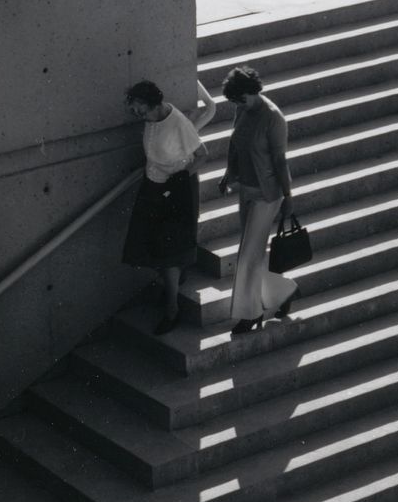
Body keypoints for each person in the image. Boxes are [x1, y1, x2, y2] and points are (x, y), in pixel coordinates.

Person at [121, 78, 217, 335]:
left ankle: (172, 308)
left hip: (174, 191)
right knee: (149, 244)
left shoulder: (178, 123)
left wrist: (181, 180)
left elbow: (203, 154)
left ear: (151, 103)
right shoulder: (152, 119)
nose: (136, 112)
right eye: (134, 107)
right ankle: (174, 280)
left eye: (139, 107)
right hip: (152, 187)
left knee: (168, 251)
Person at [218, 65, 299, 337]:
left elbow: (279, 160)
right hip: (246, 190)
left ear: (251, 92)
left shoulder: (273, 118)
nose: (237, 105)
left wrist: (288, 196)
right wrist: (229, 173)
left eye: (240, 99)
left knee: (248, 255)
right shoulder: (243, 109)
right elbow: (235, 143)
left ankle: (249, 314)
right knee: (252, 253)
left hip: (268, 194)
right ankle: (282, 291)